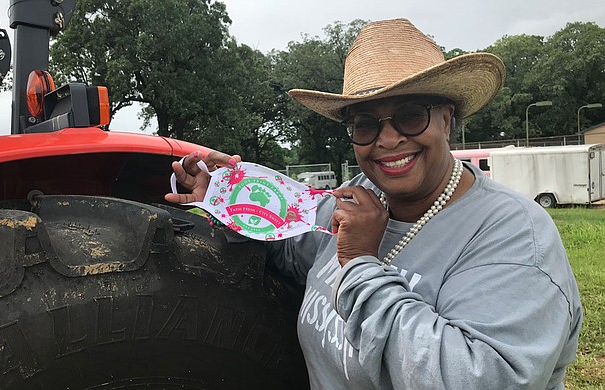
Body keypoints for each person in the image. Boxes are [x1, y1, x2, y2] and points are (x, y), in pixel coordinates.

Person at [165, 18, 582, 390]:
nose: (387, 140)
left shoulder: (511, 234)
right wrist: (227, 201)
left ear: (447, 118)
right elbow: (296, 254)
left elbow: (476, 378)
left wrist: (362, 262)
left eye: (411, 114)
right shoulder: (360, 195)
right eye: (365, 124)